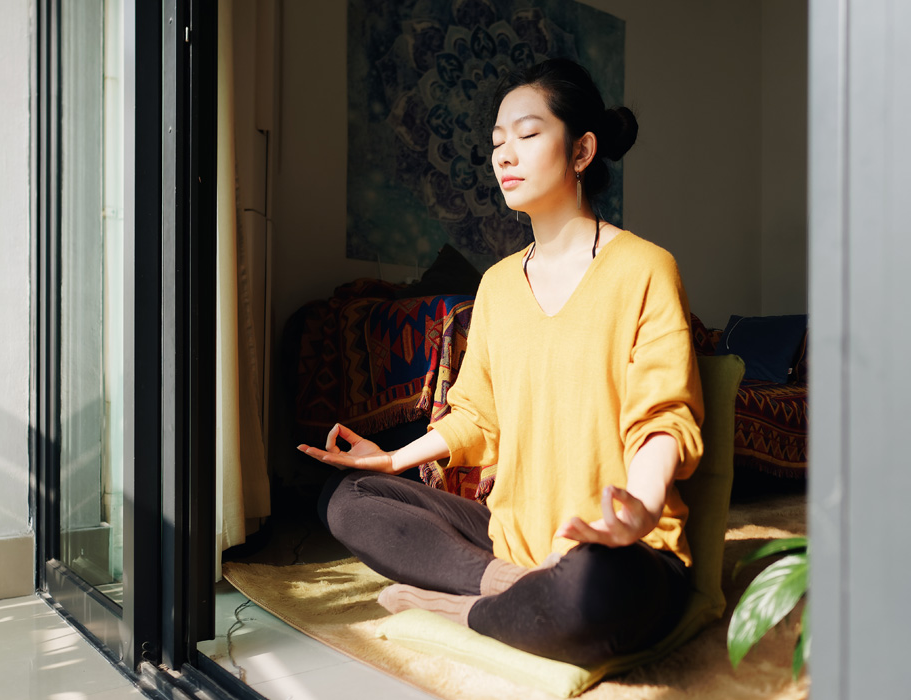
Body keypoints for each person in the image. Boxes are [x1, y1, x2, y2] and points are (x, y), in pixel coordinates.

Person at [298, 58, 704, 667]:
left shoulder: (645, 268)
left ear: (582, 149)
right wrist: (390, 458)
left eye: (528, 133)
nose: (503, 155)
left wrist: (640, 510)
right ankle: (504, 587)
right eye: (496, 141)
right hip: (510, 543)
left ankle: (465, 610)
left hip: (617, 548)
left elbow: (664, 418)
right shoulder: (496, 285)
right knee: (347, 495)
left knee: (598, 589)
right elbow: (476, 417)